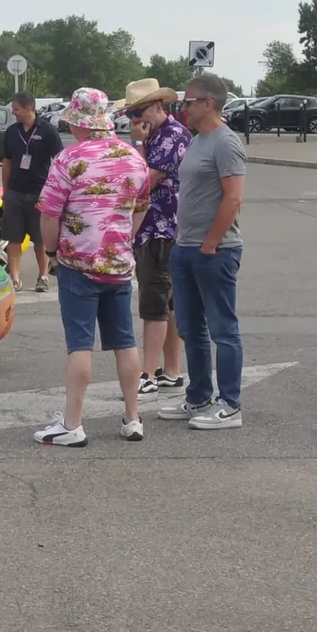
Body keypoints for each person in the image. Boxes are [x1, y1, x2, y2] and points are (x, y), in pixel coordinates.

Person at [33, 87, 154, 447]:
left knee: (80, 345)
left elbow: (49, 215)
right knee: (124, 341)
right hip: (118, 264)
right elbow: (141, 206)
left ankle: (73, 424)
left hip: (78, 263)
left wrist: (53, 252)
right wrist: (122, 239)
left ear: (80, 122)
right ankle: (132, 417)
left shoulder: (69, 159)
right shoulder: (133, 157)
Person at [161, 71, 246, 430]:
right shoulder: (197, 140)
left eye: (188, 101)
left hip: (215, 250)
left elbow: (234, 197)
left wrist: (211, 242)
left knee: (222, 329)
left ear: (207, 103)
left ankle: (230, 404)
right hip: (185, 247)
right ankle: (198, 397)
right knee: (190, 328)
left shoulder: (226, 143)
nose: (183, 107)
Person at [121, 78, 188, 395]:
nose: (135, 120)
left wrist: (137, 145)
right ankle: (172, 370)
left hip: (160, 227)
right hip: (157, 228)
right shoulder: (159, 136)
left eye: (139, 111)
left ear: (159, 107)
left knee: (154, 303)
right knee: (169, 303)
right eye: (131, 114)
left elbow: (143, 180)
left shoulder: (171, 136)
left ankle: (147, 373)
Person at [0, 92, 61, 291]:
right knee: (13, 237)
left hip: (39, 193)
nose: (13, 112)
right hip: (15, 192)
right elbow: (6, 163)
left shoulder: (47, 131)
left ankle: (43, 276)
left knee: (39, 238)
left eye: (16, 109)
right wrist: (5, 191)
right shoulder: (11, 132)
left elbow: (59, 161)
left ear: (29, 109)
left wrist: (54, 191)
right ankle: (15, 279)